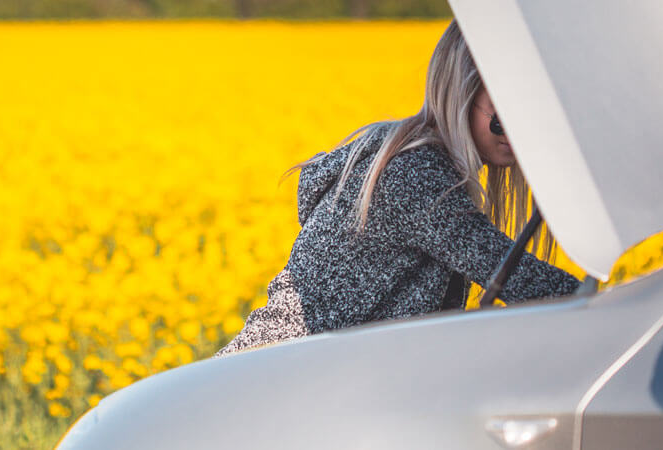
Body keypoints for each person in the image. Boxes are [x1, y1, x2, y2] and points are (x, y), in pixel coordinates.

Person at [215, 19, 580, 357]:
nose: (516, 135)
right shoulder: (416, 176)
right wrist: (611, 310)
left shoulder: (413, 160)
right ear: (460, 96)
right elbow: (515, 276)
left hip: (289, 379)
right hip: (268, 385)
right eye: (502, 119)